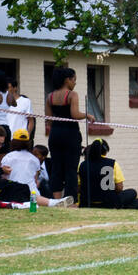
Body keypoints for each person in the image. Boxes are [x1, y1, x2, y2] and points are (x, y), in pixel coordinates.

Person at [46, 67, 96, 199]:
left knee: (56, 168)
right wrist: (88, 115)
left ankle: (56, 200)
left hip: (55, 134)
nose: (75, 83)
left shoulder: (49, 96)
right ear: (67, 80)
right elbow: (74, 114)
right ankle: (71, 201)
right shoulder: (72, 95)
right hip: (70, 133)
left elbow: (48, 120)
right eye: (74, 80)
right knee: (71, 169)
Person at [77, 139, 138, 208]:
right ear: (105, 151)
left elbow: (79, 187)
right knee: (132, 192)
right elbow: (119, 187)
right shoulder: (113, 163)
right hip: (109, 203)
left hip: (87, 203)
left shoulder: (82, 165)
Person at [4, 129, 66, 206]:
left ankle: (52, 202)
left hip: (12, 192)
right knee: (34, 195)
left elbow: (4, 177)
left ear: (13, 142)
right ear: (28, 143)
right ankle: (53, 202)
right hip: (31, 192)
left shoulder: (8, 157)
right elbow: (35, 180)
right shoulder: (34, 159)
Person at [0, 75, 35, 148]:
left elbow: (31, 121)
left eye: (8, 87)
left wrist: (27, 135)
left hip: (20, 138)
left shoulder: (25, 101)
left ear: (15, 88)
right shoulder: (1, 101)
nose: (6, 90)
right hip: (4, 138)